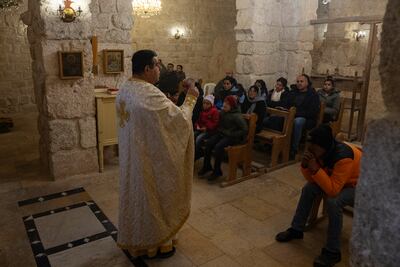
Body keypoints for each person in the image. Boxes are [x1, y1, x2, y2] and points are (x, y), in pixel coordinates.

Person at [116, 50, 199, 259]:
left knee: (137, 199)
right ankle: (158, 243)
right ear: (146, 69)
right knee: (154, 199)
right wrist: (190, 100)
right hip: (148, 160)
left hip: (132, 157)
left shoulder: (125, 88)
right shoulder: (148, 94)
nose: (159, 70)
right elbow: (179, 122)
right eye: (156, 66)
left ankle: (135, 238)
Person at [275, 124, 361, 267]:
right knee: (309, 188)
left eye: (313, 147)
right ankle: (297, 229)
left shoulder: (343, 157)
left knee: (334, 202)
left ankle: (333, 252)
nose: (310, 150)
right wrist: (306, 166)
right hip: (338, 181)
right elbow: (312, 180)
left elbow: (333, 191)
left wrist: (315, 169)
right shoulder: (321, 153)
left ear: (323, 146)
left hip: (357, 185)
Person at [198, 95, 248, 181]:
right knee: (209, 143)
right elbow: (217, 122)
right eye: (224, 104)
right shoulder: (223, 112)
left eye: (226, 105)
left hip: (232, 137)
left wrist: (232, 133)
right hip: (222, 133)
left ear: (231, 106)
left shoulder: (237, 116)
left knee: (218, 147)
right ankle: (207, 166)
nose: (224, 106)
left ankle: (217, 171)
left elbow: (244, 129)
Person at [288, 74, 320, 158]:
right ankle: (280, 145)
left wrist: (296, 113)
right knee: (280, 117)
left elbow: (312, 112)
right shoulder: (293, 92)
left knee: (298, 121)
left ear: (307, 83)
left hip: (307, 118)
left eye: (301, 81)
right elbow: (287, 103)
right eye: (298, 81)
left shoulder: (313, 95)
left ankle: (293, 149)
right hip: (291, 114)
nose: (299, 83)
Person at [194, 95, 220, 160]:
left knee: (198, 139)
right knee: (192, 135)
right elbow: (198, 121)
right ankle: (197, 151)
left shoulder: (214, 111)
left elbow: (215, 123)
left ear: (211, 104)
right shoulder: (203, 111)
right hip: (202, 129)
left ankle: (198, 153)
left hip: (210, 131)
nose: (205, 105)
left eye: (207, 103)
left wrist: (206, 128)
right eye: (204, 103)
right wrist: (197, 125)